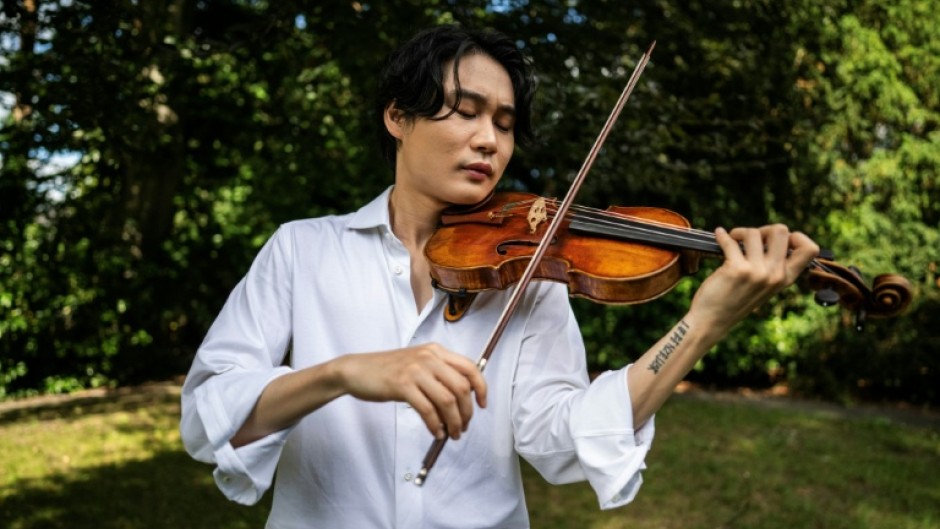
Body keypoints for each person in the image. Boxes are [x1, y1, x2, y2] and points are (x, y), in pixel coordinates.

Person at [180, 25, 819, 528]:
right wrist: (345, 372)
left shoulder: (528, 272)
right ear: (397, 117)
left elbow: (561, 440)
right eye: (465, 111)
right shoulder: (301, 250)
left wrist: (702, 324)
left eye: (505, 123)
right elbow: (208, 419)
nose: (489, 140)